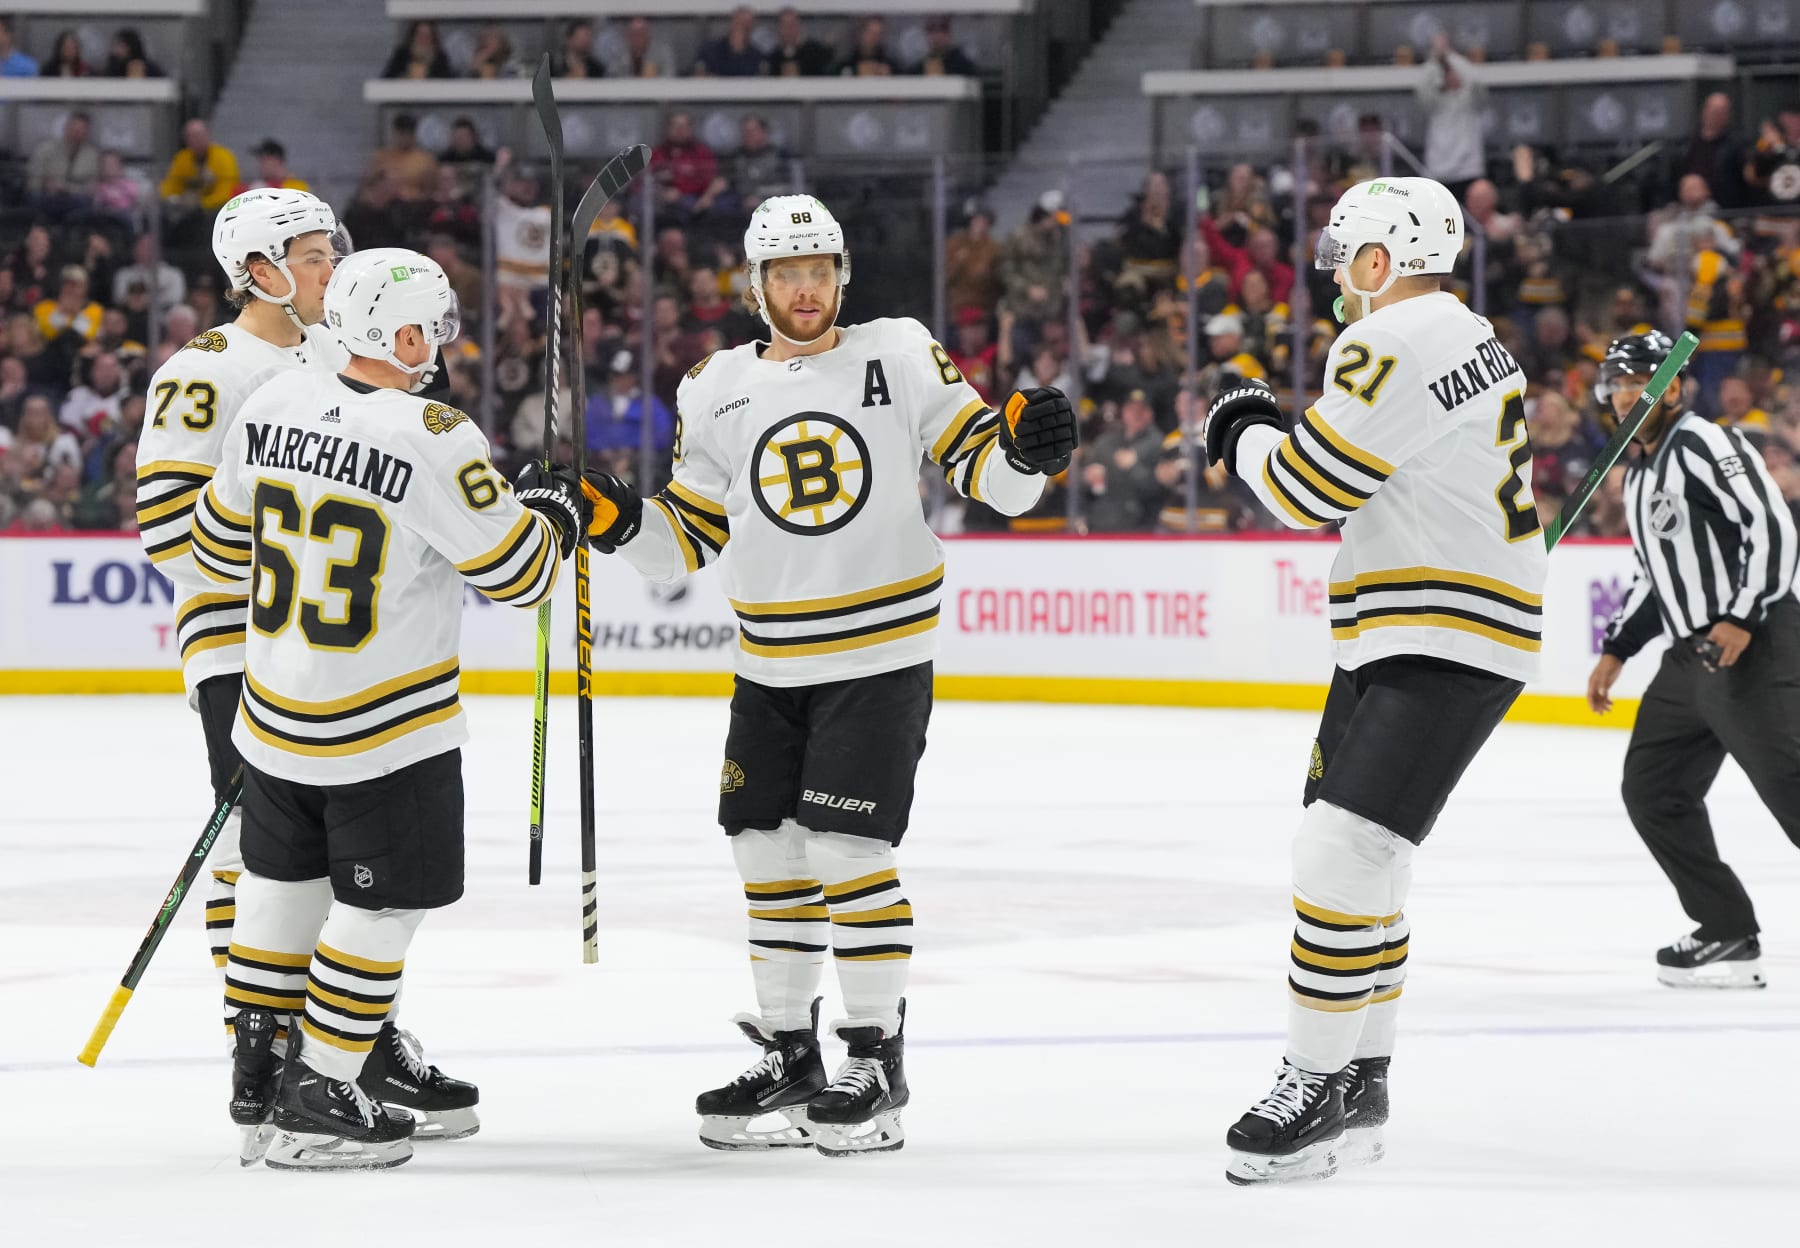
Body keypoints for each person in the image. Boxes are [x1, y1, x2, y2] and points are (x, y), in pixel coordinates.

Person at [579, 195, 1076, 1156]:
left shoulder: (898, 350)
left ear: (841, 274)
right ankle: (791, 1051)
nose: (803, 287)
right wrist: (614, 519)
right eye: (784, 272)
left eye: (817, 269)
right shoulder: (712, 386)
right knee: (765, 851)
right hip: (770, 662)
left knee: (848, 853)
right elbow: (687, 537)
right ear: (755, 284)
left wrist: (1027, 456)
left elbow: (992, 478)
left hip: (877, 655)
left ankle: (876, 1059)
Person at [186, 246, 587, 1170]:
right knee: (381, 910)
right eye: (433, 327)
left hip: (273, 718)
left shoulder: (272, 402)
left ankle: (259, 1078)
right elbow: (523, 577)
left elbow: (213, 541)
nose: (439, 343)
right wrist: (552, 514)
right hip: (384, 731)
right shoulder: (435, 433)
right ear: (403, 334)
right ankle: (320, 1089)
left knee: (280, 894)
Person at [1202, 176, 1546, 1184]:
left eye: (1348, 267)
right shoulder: (1472, 334)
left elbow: (1307, 487)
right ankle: (1359, 1080)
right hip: (1416, 625)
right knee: (1368, 863)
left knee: (1340, 853)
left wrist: (1242, 428)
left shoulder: (1394, 337)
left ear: (1380, 260)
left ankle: (1313, 1082)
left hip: (1443, 626)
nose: (1342, 291)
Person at [137, 194, 479, 1161]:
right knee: (266, 853)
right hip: (247, 652)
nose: (337, 269)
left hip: (332, 656)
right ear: (259, 268)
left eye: (336, 254)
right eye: (318, 255)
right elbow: (173, 533)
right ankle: (276, 1049)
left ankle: (353, 1046)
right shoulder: (206, 374)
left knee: (348, 862)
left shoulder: (333, 358)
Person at [1586, 332, 1800, 990]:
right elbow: (1655, 574)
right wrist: (1618, 649)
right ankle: (1726, 930)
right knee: (1654, 789)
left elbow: (1772, 525)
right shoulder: (1642, 468)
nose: (1627, 396)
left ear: (1673, 386)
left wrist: (1741, 616)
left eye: (1640, 382)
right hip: (1688, 661)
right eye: (1617, 386)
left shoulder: (1705, 442)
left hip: (1750, 643)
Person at [1416, 33, 1486, 200]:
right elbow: (1421, 90)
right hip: (1438, 169)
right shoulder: (1434, 101)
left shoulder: (1469, 98)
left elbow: (1478, 84)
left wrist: (1450, 57)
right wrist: (1436, 60)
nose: (1450, 76)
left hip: (1467, 167)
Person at [160, 119, 240, 216]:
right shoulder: (182, 159)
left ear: (207, 135)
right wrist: (173, 199)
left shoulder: (224, 157)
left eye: (199, 135)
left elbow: (227, 192)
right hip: (186, 210)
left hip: (216, 211)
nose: (196, 139)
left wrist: (201, 204)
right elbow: (171, 184)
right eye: (191, 136)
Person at [26, 111, 100, 206]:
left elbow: (92, 188)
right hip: (47, 196)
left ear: (87, 132)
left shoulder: (92, 155)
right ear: (65, 128)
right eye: (73, 128)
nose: (76, 132)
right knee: (35, 198)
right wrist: (45, 186)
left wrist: (65, 187)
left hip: (76, 199)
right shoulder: (45, 149)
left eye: (81, 129)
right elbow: (33, 181)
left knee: (85, 202)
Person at [694, 6, 765, 77]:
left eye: (748, 23)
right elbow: (696, 75)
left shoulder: (757, 56)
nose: (743, 26)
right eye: (739, 22)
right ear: (732, 22)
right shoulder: (710, 50)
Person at [768, 7, 831, 77]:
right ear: (778, 29)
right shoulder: (773, 58)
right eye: (784, 25)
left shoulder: (816, 52)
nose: (788, 30)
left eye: (792, 24)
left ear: (799, 26)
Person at [605, 16, 675, 79]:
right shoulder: (619, 53)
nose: (637, 38)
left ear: (648, 36)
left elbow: (669, 75)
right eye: (633, 34)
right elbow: (611, 76)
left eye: (640, 34)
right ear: (627, 36)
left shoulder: (662, 51)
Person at [382, 20, 452, 79]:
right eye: (420, 34)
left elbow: (450, 81)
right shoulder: (402, 55)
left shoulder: (440, 58)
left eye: (428, 35)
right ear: (413, 37)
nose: (423, 39)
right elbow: (386, 78)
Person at [911, 16, 978, 76]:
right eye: (932, 30)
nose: (937, 36)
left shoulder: (963, 65)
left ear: (949, 34)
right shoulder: (918, 68)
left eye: (943, 30)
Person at [238, 140, 310, 193]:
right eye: (259, 161)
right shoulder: (258, 185)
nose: (259, 165)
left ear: (276, 160)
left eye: (263, 160)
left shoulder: (297, 187)